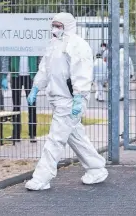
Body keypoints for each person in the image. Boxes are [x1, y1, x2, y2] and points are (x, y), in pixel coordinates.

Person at [24, 12, 108, 190]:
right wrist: (36, 87)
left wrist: (79, 96)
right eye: (53, 25)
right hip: (58, 98)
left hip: (71, 100)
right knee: (75, 136)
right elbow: (45, 68)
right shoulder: (53, 45)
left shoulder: (78, 45)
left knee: (55, 139)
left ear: (67, 26)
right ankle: (96, 168)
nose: (55, 29)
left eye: (58, 25)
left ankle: (41, 178)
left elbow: (82, 72)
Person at [1, 55, 39, 142]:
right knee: (16, 106)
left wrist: (39, 75)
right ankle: (16, 135)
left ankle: (33, 135)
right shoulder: (14, 42)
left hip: (30, 76)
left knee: (32, 105)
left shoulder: (33, 41)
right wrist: (4, 75)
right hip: (16, 76)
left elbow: (39, 58)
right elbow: (6, 57)